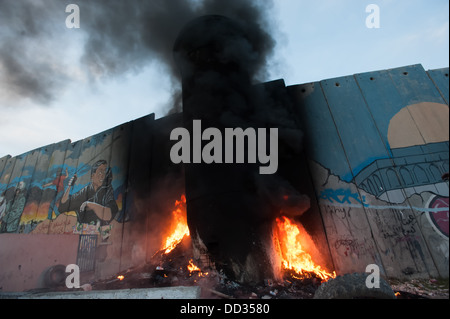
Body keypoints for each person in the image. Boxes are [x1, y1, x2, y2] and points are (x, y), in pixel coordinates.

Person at [58, 160, 118, 239]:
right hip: (84, 237)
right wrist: (69, 186)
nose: (103, 175)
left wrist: (90, 204)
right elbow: (63, 206)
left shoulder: (107, 190)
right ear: (92, 176)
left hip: (101, 238)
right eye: (100, 172)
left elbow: (108, 214)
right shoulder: (84, 191)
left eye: (104, 172)